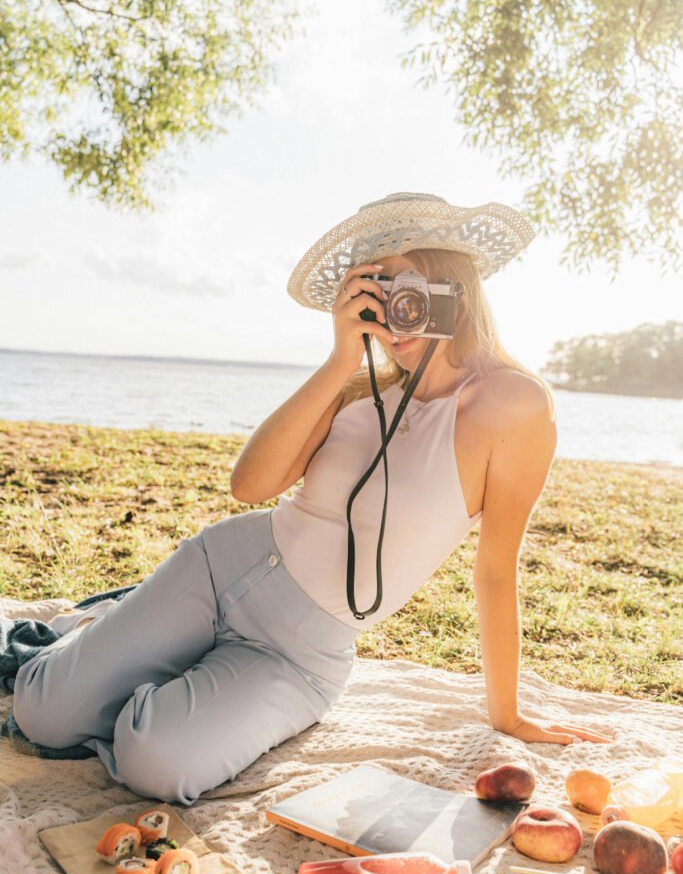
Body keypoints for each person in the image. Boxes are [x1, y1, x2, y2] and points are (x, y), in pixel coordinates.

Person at [11, 192, 610, 806]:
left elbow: (494, 567)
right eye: (374, 290)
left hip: (299, 652)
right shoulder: (357, 389)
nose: (389, 308)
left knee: (155, 764)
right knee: (41, 715)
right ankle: (102, 649)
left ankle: (130, 660)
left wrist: (505, 714)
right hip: (222, 569)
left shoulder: (512, 404)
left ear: (451, 281)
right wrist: (340, 357)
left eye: (405, 285)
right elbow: (249, 486)